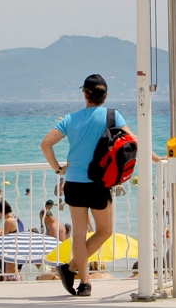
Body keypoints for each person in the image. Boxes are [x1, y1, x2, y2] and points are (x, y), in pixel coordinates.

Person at [40, 73, 134, 297]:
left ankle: (83, 283)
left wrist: (57, 168)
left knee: (79, 234)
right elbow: (132, 141)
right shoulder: (113, 116)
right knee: (105, 232)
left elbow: (45, 144)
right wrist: (155, 157)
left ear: (85, 93)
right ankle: (70, 268)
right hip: (100, 182)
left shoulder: (71, 119)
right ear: (104, 95)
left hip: (74, 182)